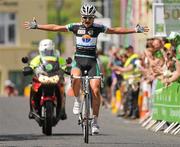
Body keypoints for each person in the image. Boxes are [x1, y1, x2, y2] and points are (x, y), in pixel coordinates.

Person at [24, 3, 149, 134]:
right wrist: (37, 26)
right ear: (81, 17)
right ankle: (78, 100)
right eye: (85, 17)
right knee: (76, 79)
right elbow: (56, 27)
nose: (87, 20)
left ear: (94, 18)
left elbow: (115, 30)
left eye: (90, 18)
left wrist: (135, 30)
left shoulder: (98, 28)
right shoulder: (75, 27)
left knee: (95, 90)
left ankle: (95, 122)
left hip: (92, 62)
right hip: (78, 60)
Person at [28, 39, 67, 120]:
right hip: (41, 78)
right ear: (40, 50)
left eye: (49, 51)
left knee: (62, 89)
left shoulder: (58, 58)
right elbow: (31, 65)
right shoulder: (37, 58)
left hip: (55, 78)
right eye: (45, 51)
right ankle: (32, 110)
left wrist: (67, 68)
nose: (47, 53)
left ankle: (62, 110)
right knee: (33, 87)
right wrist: (29, 68)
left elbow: (64, 65)